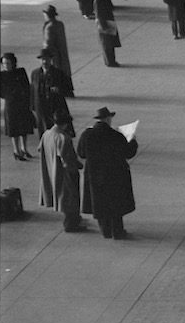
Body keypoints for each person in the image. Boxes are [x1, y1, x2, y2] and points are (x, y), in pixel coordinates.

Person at [76, 106, 137, 239]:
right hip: (114, 175)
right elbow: (128, 152)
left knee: (100, 203)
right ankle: (117, 231)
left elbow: (81, 153)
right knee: (115, 204)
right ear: (108, 119)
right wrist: (133, 140)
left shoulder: (87, 135)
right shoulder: (116, 135)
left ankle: (105, 230)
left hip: (94, 176)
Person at [38, 109, 85, 232]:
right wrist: (78, 166)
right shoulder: (63, 138)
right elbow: (67, 159)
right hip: (64, 173)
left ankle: (73, 220)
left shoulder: (46, 134)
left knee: (61, 196)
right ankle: (71, 224)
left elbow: (40, 149)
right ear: (65, 124)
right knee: (70, 197)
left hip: (51, 169)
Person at [0, 52, 36, 160]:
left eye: (8, 63)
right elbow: (0, 91)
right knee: (13, 128)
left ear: (13, 63)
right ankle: (16, 150)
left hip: (22, 103)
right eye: (4, 63)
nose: (6, 65)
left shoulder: (20, 72)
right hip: (10, 104)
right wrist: (9, 94)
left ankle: (24, 148)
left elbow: (26, 86)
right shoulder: (2, 75)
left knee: (24, 127)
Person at [29, 48, 70, 137]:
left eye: (47, 59)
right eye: (43, 59)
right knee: (42, 130)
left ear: (51, 60)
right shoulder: (35, 73)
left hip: (54, 107)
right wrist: (32, 107)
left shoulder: (58, 73)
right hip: (40, 107)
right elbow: (32, 90)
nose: (45, 61)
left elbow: (67, 88)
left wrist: (58, 89)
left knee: (54, 130)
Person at [41, 5, 74, 96]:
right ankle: (68, 90)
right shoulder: (60, 24)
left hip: (54, 55)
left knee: (55, 72)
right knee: (64, 71)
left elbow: (48, 43)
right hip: (62, 52)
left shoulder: (49, 27)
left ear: (47, 15)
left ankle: (60, 91)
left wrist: (44, 54)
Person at [93, 0, 120, 67]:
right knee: (107, 43)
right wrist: (103, 26)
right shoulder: (98, 0)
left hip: (109, 22)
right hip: (104, 23)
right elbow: (99, 14)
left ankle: (112, 60)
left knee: (110, 43)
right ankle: (109, 61)